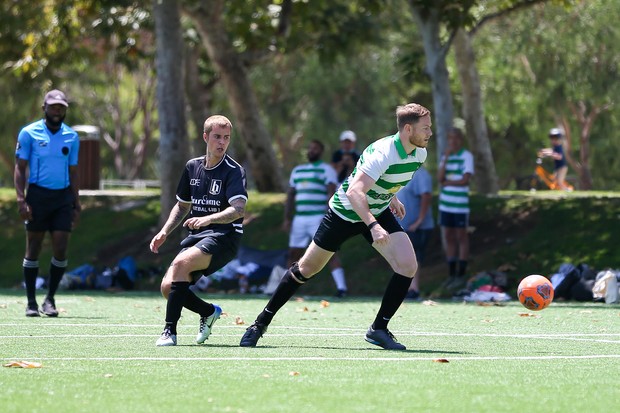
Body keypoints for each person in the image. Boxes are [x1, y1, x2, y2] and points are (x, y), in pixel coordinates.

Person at [240, 103, 432, 350]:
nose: (429, 133)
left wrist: (392, 197)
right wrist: (373, 225)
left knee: (407, 266)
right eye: (425, 128)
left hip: (376, 210)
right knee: (306, 269)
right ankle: (259, 324)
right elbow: (355, 191)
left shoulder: (419, 153)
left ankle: (378, 329)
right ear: (408, 129)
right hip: (345, 212)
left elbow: (383, 179)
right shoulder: (384, 152)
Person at [150, 115, 247, 346]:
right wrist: (164, 232)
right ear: (205, 137)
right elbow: (182, 205)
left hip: (225, 236)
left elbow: (239, 210)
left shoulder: (234, 170)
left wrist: (207, 219)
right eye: (217, 137)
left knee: (181, 265)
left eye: (226, 138)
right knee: (167, 287)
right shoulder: (192, 167)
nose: (222, 142)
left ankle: (169, 331)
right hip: (198, 236)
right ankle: (208, 311)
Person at [14, 89, 81, 317]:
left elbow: (73, 172)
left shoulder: (71, 136)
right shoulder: (29, 133)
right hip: (37, 196)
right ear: (44, 108)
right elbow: (20, 168)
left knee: (61, 248)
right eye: (53, 107)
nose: (57, 111)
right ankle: (31, 302)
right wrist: (21, 199)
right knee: (33, 247)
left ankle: (49, 299)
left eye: (61, 107)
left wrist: (76, 202)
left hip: (62, 197)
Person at [283, 139, 348, 298]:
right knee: (293, 253)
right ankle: (286, 288)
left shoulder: (326, 170)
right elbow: (291, 195)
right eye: (310, 148)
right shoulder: (297, 171)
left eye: (315, 149)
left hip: (318, 218)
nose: (311, 151)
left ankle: (341, 288)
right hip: (299, 219)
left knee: (329, 252)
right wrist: (287, 218)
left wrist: (328, 216)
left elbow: (331, 193)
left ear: (320, 151)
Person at [437, 127, 474, 291]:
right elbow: (440, 178)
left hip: (460, 205)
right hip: (446, 204)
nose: (452, 141)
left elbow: (465, 180)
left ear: (461, 140)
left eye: (455, 138)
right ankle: (451, 274)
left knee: (461, 237)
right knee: (448, 236)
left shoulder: (467, 156)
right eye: (450, 138)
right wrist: (445, 159)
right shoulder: (446, 156)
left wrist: (449, 182)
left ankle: (461, 273)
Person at [395, 166, 434, 300]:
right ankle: (405, 288)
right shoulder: (399, 172)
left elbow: (426, 196)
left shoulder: (420, 174)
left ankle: (414, 289)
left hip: (417, 227)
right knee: (400, 257)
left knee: (414, 256)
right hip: (402, 225)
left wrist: (419, 220)